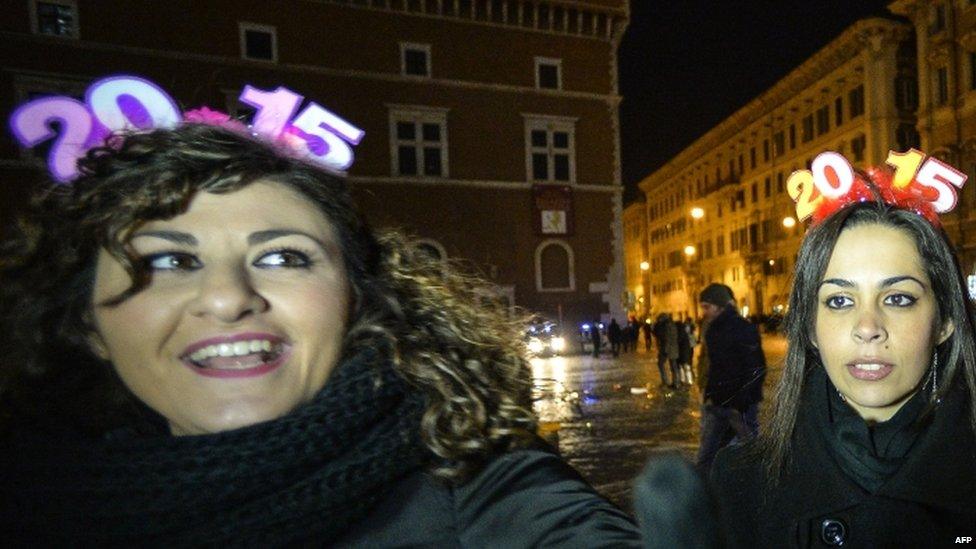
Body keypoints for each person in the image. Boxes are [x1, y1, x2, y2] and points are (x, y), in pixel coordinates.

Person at [0, 120, 642, 546]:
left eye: (282, 257)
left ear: (356, 299)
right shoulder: (35, 498)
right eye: (169, 260)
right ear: (87, 321)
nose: (226, 298)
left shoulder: (476, 487)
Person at [711, 178, 976, 546]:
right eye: (839, 301)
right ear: (811, 328)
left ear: (945, 320)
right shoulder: (738, 484)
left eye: (898, 298)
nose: (867, 328)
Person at [695, 284, 766, 472]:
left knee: (751, 452)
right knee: (708, 455)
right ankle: (707, 493)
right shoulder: (711, 330)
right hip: (718, 402)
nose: (704, 312)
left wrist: (743, 399)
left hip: (740, 406)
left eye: (707, 307)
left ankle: (760, 488)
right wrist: (709, 390)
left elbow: (756, 367)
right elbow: (714, 365)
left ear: (719, 306)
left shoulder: (743, 329)